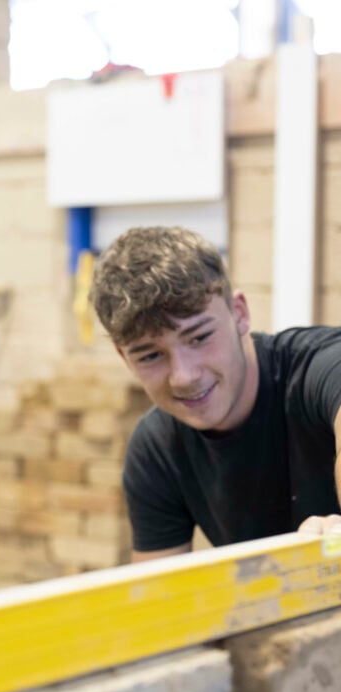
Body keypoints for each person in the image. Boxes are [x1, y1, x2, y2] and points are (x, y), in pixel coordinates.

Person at [91, 225, 341, 563]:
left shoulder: (320, 367)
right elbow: (161, 600)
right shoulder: (157, 447)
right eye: (150, 356)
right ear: (125, 358)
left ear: (239, 313)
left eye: (199, 338)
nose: (184, 377)